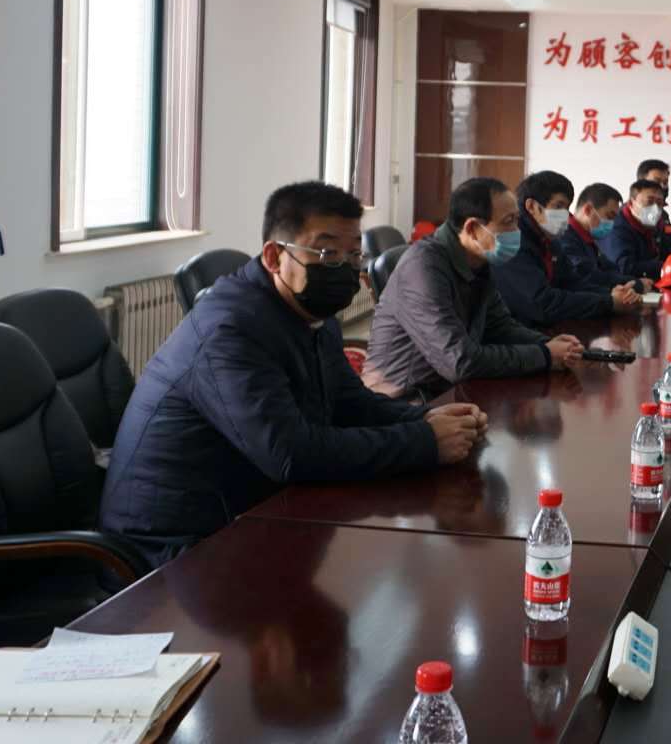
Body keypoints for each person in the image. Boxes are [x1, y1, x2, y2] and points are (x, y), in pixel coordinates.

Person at [100, 182, 486, 563]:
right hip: (174, 549)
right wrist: (424, 441)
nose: (345, 268)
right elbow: (289, 453)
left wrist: (427, 418)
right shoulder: (231, 331)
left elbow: (348, 402)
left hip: (252, 509)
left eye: (354, 254)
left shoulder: (312, 313)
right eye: (327, 252)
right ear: (274, 257)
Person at [365, 176, 585, 400]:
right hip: (403, 401)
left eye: (517, 220)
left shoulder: (478, 260)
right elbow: (459, 360)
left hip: (449, 390)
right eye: (508, 221)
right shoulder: (423, 267)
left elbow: (499, 326)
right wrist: (545, 355)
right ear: (472, 228)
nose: (516, 230)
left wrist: (548, 343)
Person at [496, 170, 642, 326]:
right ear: (532, 206)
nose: (565, 214)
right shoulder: (511, 240)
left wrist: (612, 294)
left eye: (567, 207)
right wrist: (609, 302)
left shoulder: (548, 239)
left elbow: (572, 283)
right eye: (558, 206)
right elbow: (542, 303)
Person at [559, 182, 651, 292]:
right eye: (609, 216)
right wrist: (635, 284)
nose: (612, 223)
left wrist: (631, 281)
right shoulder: (565, 238)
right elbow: (587, 276)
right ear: (588, 210)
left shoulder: (589, 240)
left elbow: (611, 269)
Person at [599, 177, 668, 280]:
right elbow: (625, 267)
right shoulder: (616, 227)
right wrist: (666, 266)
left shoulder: (658, 225)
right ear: (631, 203)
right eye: (649, 202)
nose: (655, 208)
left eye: (659, 203)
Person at [637, 158, 671, 256]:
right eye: (656, 181)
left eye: (665, 182)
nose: (662, 187)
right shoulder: (629, 215)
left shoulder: (663, 215)